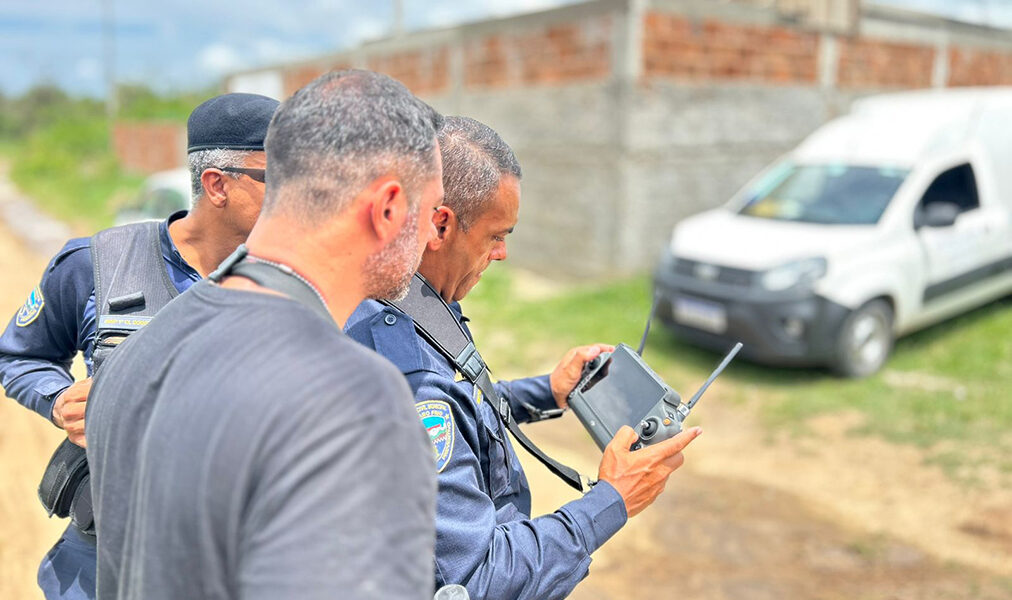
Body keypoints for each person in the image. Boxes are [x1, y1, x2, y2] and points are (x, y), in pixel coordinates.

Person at [85, 69, 444, 600]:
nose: (434, 237)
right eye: (433, 213)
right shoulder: (352, 399)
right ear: (388, 208)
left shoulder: (136, 355)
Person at [345, 116, 702, 600]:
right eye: (496, 235)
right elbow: (479, 580)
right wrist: (611, 500)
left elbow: (461, 410)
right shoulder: (411, 376)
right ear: (440, 224)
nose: (503, 253)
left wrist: (547, 392)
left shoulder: (393, 297)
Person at [0, 92, 279, 600]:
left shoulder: (291, 281)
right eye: (276, 180)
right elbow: (21, 355)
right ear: (216, 185)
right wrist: (59, 399)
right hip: (106, 567)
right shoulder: (97, 265)